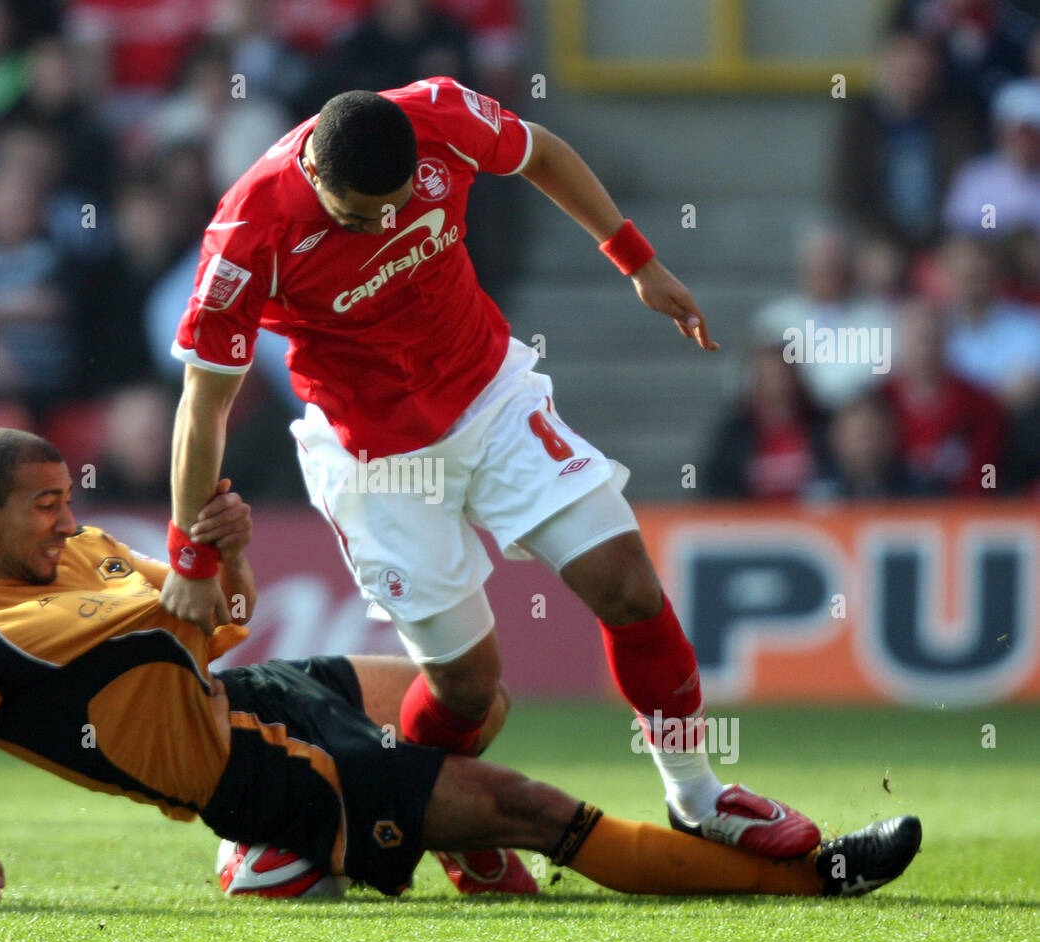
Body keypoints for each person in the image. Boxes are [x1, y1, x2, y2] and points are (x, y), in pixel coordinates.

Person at [164, 78, 821, 895]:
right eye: (359, 216)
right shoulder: (247, 229)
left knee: (627, 583)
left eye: (398, 206)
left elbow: (541, 150)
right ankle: (431, 820)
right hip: (378, 459)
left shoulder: (439, 113)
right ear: (315, 178)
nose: (382, 226)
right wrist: (189, 552)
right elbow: (203, 404)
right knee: (469, 690)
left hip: (491, 397)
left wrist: (636, 260)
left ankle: (697, 795)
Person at [0, 428, 921, 903]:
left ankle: (408, 846)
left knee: (474, 692)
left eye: (67, 499)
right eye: (43, 506)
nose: (66, 519)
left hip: (253, 695)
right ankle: (808, 876)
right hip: (249, 771)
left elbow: (224, 617)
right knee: (535, 807)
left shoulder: (79, 553)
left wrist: (233, 550)